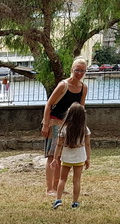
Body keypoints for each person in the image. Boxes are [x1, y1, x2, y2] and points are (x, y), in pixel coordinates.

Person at [41, 58, 88, 196]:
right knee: (52, 155)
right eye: (77, 70)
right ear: (72, 70)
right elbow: (49, 104)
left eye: (82, 71)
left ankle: (57, 186)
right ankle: (50, 188)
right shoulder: (63, 85)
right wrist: (45, 124)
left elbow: (81, 108)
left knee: (62, 156)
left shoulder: (83, 88)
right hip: (54, 122)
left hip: (69, 125)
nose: (79, 73)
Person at [50, 103, 91, 209]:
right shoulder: (84, 129)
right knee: (76, 180)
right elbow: (87, 144)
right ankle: (75, 202)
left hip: (66, 158)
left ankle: (58, 199)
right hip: (80, 158)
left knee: (62, 179)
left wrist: (55, 158)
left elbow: (58, 145)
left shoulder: (64, 128)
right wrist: (88, 158)